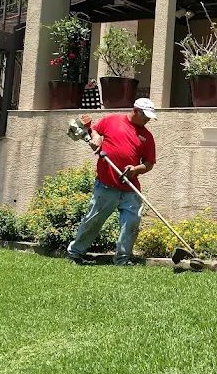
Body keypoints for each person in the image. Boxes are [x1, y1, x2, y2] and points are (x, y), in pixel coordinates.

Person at [67, 97, 157, 266]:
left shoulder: (147, 136)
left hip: (130, 188)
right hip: (106, 184)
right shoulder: (112, 120)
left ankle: (122, 259)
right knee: (93, 221)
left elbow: (149, 163)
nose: (148, 120)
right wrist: (96, 138)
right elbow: (95, 130)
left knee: (131, 223)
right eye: (145, 116)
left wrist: (135, 170)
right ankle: (75, 253)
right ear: (135, 110)